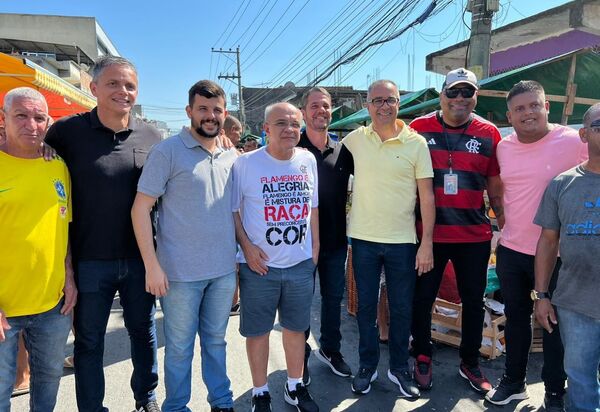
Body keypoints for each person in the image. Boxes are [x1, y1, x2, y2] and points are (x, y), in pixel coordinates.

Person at [45, 56, 161, 412]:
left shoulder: (151, 136)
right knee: (89, 343)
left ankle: (147, 398)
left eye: (129, 85)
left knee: (143, 335)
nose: (122, 91)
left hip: (140, 259)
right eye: (112, 83)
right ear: (93, 88)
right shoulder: (65, 133)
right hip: (89, 261)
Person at [131, 80, 237, 412]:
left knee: (217, 343)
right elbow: (140, 208)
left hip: (222, 271)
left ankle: (222, 401)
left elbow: (234, 212)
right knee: (178, 348)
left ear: (224, 114)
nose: (210, 116)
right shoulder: (168, 151)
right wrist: (152, 265)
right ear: (189, 111)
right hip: (179, 275)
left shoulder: (229, 154)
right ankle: (176, 407)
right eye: (203, 109)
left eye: (216, 110)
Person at [486, 81, 587, 410]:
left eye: (534, 106)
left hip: (560, 255)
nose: (527, 113)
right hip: (513, 250)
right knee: (516, 319)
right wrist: (502, 223)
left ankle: (555, 391)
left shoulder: (574, 141)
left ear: (547, 108)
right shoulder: (503, 147)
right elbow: (500, 189)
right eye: (519, 109)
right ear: (510, 116)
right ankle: (514, 382)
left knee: (554, 325)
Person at [409, 68, 502, 394]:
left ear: (475, 96)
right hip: (429, 237)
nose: (460, 99)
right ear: (442, 95)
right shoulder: (418, 128)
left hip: (473, 236)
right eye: (453, 92)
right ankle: (422, 353)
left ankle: (469, 362)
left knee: (474, 302)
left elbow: (494, 183)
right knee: (422, 299)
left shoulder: (489, 132)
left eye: (467, 92)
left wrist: (503, 223)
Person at [342, 79, 435, 398]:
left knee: (401, 309)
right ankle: (367, 366)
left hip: (403, 242)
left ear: (399, 104)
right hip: (363, 240)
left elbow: (427, 197)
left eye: (390, 100)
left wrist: (427, 244)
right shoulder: (354, 139)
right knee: (365, 309)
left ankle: (398, 369)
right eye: (377, 100)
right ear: (367, 105)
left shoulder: (416, 143)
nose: (384, 106)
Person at [233, 102, 320, 412]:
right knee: (258, 332)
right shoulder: (245, 164)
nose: (289, 129)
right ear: (266, 129)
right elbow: (234, 210)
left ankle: (294, 387)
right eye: (281, 123)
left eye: (295, 124)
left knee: (296, 329)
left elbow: (313, 208)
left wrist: (315, 250)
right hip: (259, 267)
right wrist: (245, 247)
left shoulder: (307, 159)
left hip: (299, 264)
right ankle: (260, 392)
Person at [0, 87, 76, 411]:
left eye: (39, 117)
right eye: (21, 115)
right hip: (4, 312)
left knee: (46, 391)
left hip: (52, 308)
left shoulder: (57, 166)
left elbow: (64, 228)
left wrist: (69, 276)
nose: (32, 124)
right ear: (3, 119)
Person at [533, 102, 600, 412]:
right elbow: (547, 243)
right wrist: (542, 296)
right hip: (576, 303)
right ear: (584, 134)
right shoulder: (562, 184)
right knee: (581, 380)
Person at [297, 87, 354, 385]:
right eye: (315, 106)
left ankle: (331, 350)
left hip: (335, 242)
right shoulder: (293, 147)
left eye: (326, 106)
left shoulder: (344, 150)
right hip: (299, 244)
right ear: (304, 111)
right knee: (300, 303)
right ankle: (299, 357)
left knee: (333, 300)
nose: (321, 111)